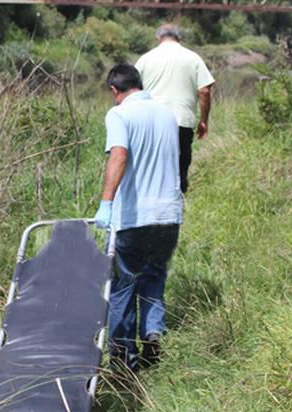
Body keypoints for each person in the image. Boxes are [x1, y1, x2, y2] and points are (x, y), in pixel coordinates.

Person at [94, 64, 183, 372]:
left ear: (114, 91)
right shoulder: (166, 114)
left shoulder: (119, 115)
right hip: (169, 216)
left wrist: (106, 202)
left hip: (134, 217)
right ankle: (152, 333)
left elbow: (119, 154)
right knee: (154, 276)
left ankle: (122, 359)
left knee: (122, 285)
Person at [135, 24, 215, 194]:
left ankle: (153, 200)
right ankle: (178, 203)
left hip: (151, 121)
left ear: (158, 38)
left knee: (152, 165)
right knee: (180, 165)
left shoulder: (145, 59)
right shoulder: (193, 58)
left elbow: (132, 91)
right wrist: (203, 121)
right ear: (179, 38)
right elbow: (204, 90)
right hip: (181, 121)